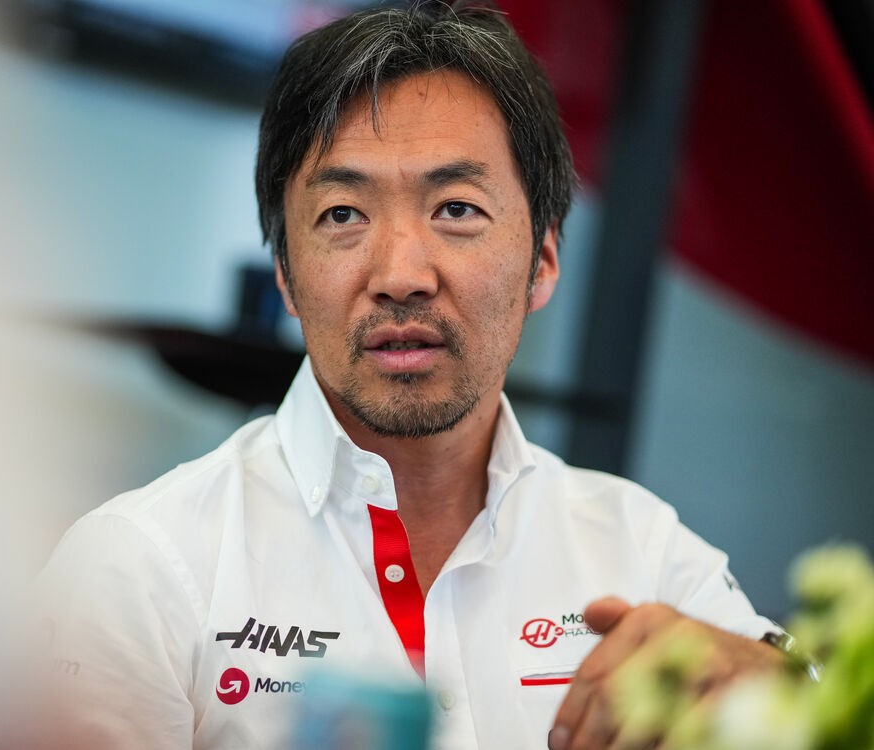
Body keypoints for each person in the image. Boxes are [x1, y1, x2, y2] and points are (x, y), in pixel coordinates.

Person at [39, 3, 790, 748]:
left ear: (543, 260)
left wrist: (773, 684)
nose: (400, 275)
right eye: (342, 215)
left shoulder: (641, 549)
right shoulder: (141, 565)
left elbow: (811, 706)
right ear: (287, 275)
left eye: (456, 208)